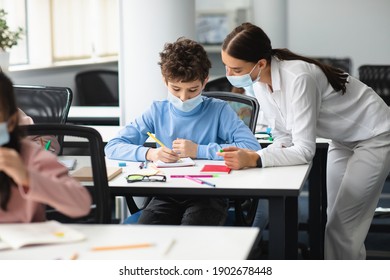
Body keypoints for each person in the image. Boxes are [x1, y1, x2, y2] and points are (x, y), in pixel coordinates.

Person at [216, 22, 390, 259]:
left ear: (261, 64)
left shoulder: (297, 77)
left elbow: (305, 150)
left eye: (236, 70)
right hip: (342, 138)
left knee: (343, 226)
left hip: (375, 134)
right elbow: (283, 135)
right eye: (226, 67)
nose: (229, 75)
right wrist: (255, 157)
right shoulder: (259, 83)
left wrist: (256, 159)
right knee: (337, 219)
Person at [105, 37, 261, 226]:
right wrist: (150, 153)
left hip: (209, 194)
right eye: (176, 89)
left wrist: (199, 150)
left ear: (205, 82)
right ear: (165, 81)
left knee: (191, 234)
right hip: (166, 194)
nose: (183, 98)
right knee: (149, 234)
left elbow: (252, 147)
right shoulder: (158, 110)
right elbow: (113, 146)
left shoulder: (219, 110)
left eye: (193, 90)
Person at [0, 72, 92, 222]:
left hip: (27, 242)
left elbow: (81, 204)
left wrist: (26, 177)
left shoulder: (28, 155)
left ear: (11, 122)